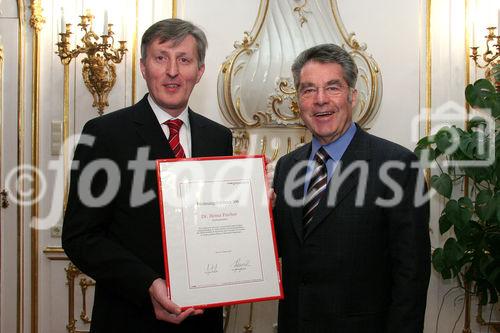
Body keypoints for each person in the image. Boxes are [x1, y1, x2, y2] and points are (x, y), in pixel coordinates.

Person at [62, 18, 232, 333]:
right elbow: (80, 237)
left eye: (184, 59)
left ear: (199, 71)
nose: (172, 71)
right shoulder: (103, 134)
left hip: (202, 321)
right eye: (160, 58)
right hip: (130, 316)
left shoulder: (218, 137)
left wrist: (254, 207)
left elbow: (219, 223)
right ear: (143, 67)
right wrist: (147, 284)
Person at [271, 44, 430, 333]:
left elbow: (412, 273)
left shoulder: (397, 165)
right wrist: (258, 217)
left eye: (333, 88)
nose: (320, 100)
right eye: (308, 90)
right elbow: (285, 250)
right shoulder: (286, 167)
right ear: (298, 101)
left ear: (352, 96)